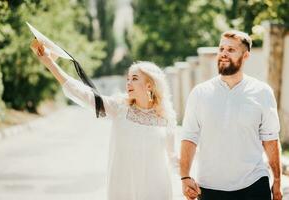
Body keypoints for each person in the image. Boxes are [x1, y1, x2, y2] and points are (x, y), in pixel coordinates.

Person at [30, 41, 179, 200]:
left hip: (157, 190)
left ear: (150, 85)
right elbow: (82, 93)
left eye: (134, 78)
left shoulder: (166, 119)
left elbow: (172, 157)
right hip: (124, 190)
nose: (128, 82)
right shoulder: (119, 108)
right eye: (127, 78)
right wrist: (50, 63)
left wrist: (188, 177)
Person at [180, 30, 282, 200]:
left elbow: (271, 138)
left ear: (246, 55)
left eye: (231, 50)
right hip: (210, 186)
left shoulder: (262, 92)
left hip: (254, 183)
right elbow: (189, 137)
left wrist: (277, 180)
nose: (224, 54)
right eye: (221, 49)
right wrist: (185, 176)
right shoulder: (200, 93)